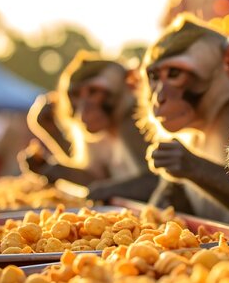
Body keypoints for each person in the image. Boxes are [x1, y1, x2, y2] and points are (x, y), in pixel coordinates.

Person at [19, 51, 156, 202]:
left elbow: (155, 182)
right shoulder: (96, 128)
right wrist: (52, 164)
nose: (84, 109)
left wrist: (105, 190)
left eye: (94, 92)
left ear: (127, 86)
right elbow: (95, 178)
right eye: (76, 95)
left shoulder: (134, 121)